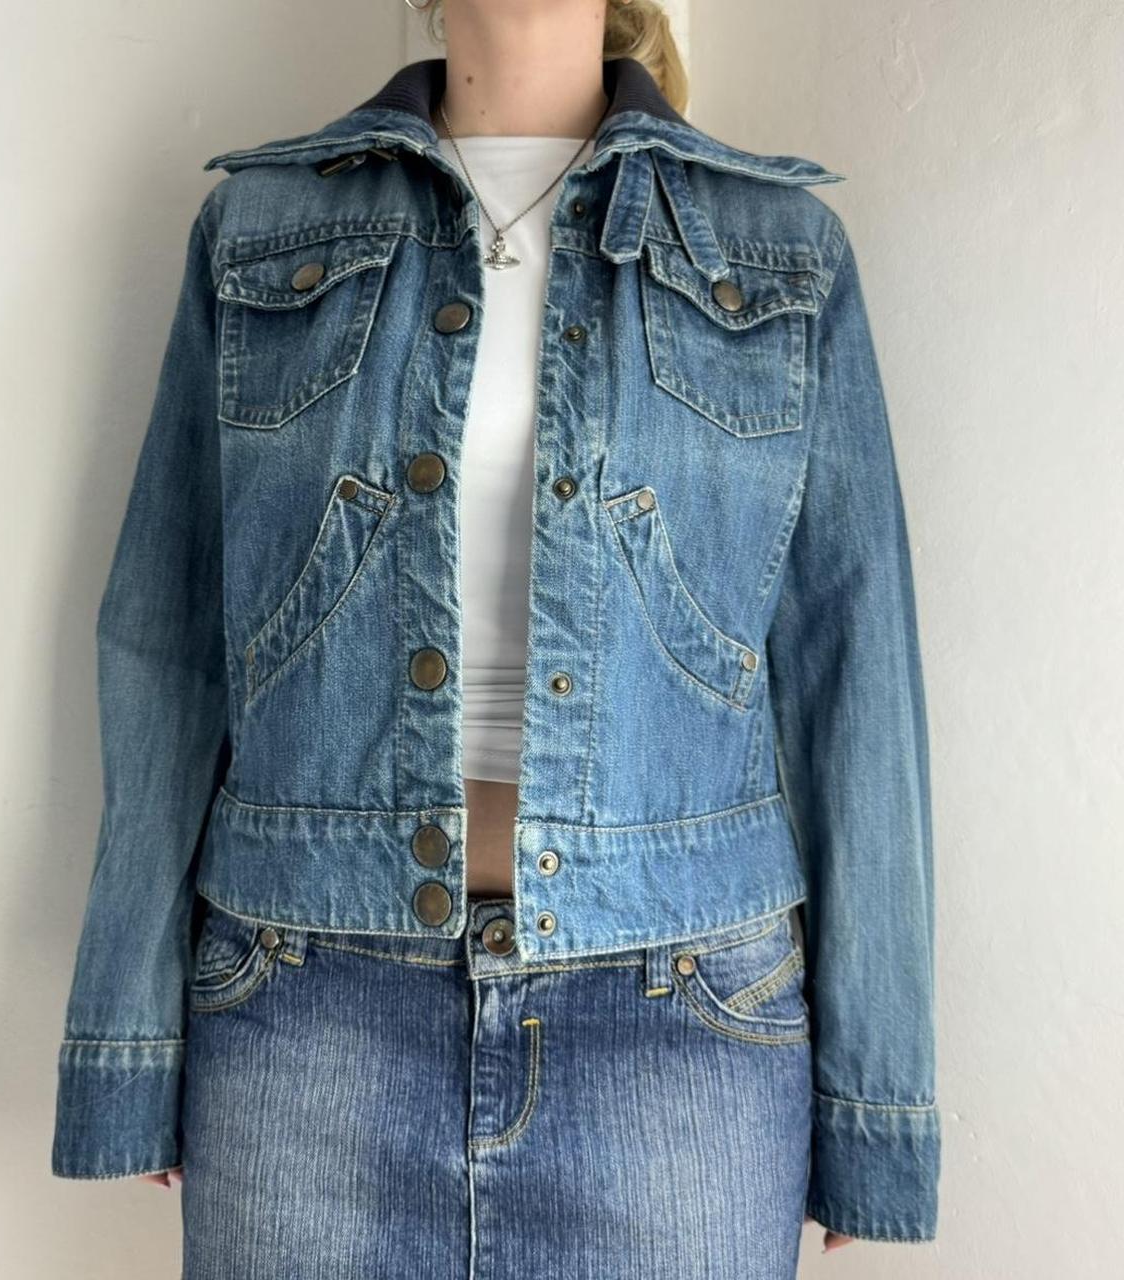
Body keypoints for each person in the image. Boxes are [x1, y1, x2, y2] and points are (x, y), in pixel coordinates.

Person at [51, 2, 940, 1275]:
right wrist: (126, 1037)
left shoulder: (780, 250)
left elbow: (856, 670)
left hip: (680, 1026)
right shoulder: (261, 230)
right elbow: (167, 639)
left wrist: (876, 1097)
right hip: (306, 1003)